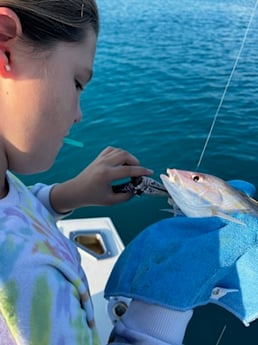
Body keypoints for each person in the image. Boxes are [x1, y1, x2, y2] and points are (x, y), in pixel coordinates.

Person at [1, 1, 258, 345]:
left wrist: (66, 196)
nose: (79, 115)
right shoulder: (22, 280)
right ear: (5, 45)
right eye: (78, 83)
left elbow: (14, 205)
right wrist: (160, 311)